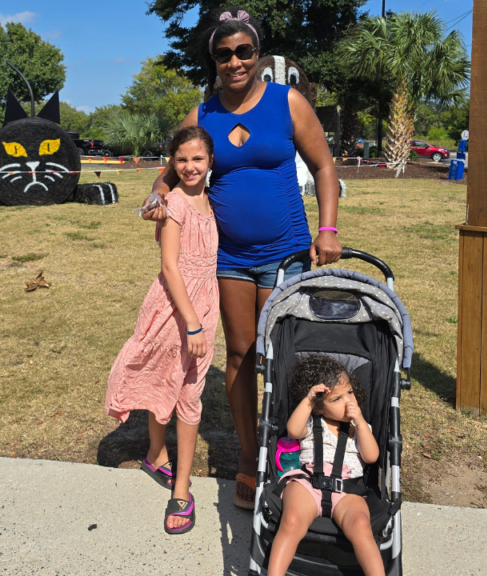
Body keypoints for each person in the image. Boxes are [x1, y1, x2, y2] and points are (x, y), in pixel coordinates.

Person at [141, 6, 343, 509]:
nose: (235, 61)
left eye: (244, 52)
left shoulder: (287, 103)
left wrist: (328, 228)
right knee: (239, 354)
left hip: (287, 253)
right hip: (227, 257)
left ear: (258, 54)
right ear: (213, 59)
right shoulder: (203, 114)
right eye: (224, 54)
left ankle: (288, 454)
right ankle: (250, 460)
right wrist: (155, 196)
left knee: (284, 357)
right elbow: (170, 170)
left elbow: (322, 165)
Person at [104, 126, 219, 535]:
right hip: (177, 308)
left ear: (210, 162)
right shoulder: (172, 205)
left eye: (198, 159)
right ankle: (179, 486)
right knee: (169, 384)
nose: (190, 167)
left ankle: (162, 459)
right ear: (172, 163)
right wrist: (192, 323)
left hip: (208, 300)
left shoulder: (210, 201)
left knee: (187, 389)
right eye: (182, 160)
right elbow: (170, 268)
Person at [269, 355, 381, 576]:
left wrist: (359, 423)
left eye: (349, 392)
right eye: (336, 399)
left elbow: (371, 456)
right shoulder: (311, 423)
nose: (349, 400)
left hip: (348, 490)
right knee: (291, 521)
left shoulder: (360, 427)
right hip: (308, 484)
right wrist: (309, 399)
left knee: (360, 524)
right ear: (320, 407)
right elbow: (293, 429)